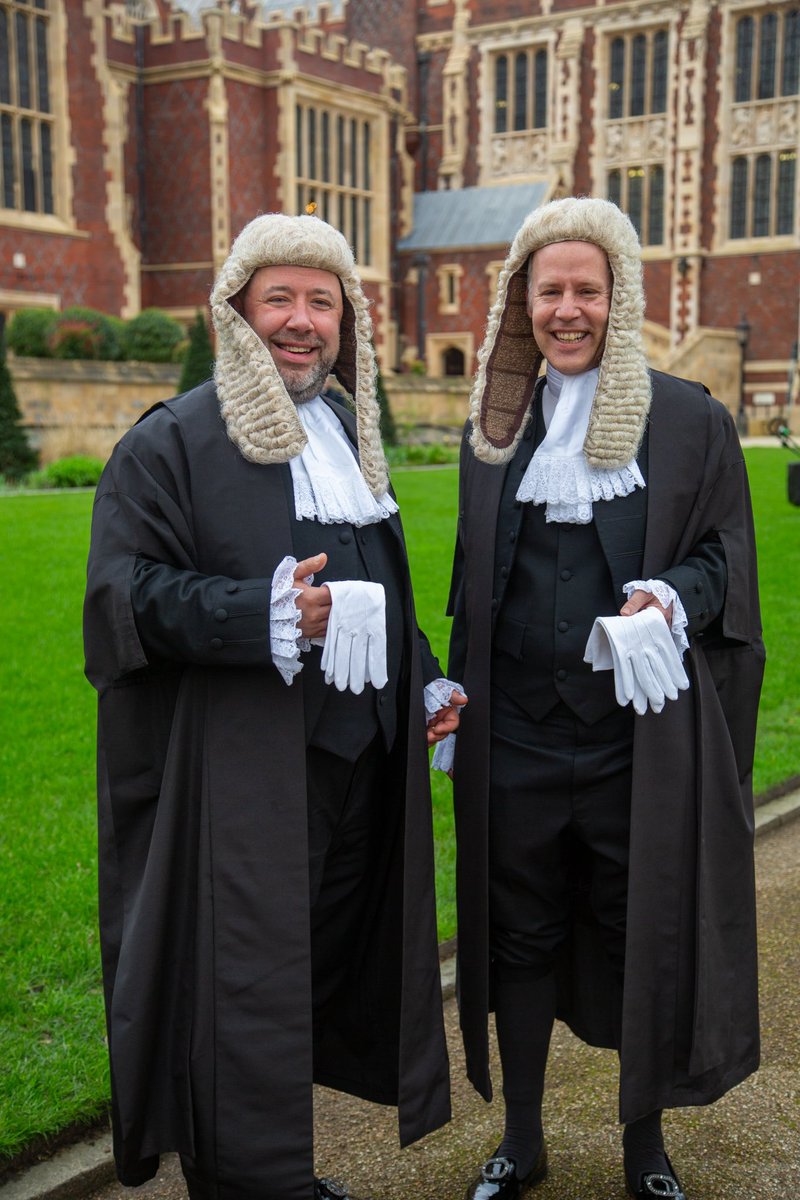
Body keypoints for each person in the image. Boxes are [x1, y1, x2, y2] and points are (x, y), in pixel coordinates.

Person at [83, 213, 465, 1200]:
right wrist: (259, 615)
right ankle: (248, 1182)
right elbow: (120, 603)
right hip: (249, 775)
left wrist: (422, 679)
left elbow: (380, 582)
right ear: (238, 314)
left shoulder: (345, 431)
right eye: (279, 300)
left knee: (308, 973)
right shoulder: (170, 444)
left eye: (320, 302)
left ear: (346, 321)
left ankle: (267, 1168)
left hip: (359, 773)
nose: (301, 322)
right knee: (241, 983)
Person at [439, 197, 764, 1200]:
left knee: (640, 934)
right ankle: (523, 1139)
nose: (567, 309)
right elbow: (470, 577)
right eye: (550, 291)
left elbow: (728, 561)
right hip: (521, 738)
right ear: (521, 302)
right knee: (520, 934)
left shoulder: (688, 420)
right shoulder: (494, 428)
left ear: (616, 297)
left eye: (587, 289)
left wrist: (674, 593)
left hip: (637, 741)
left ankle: (643, 1148)